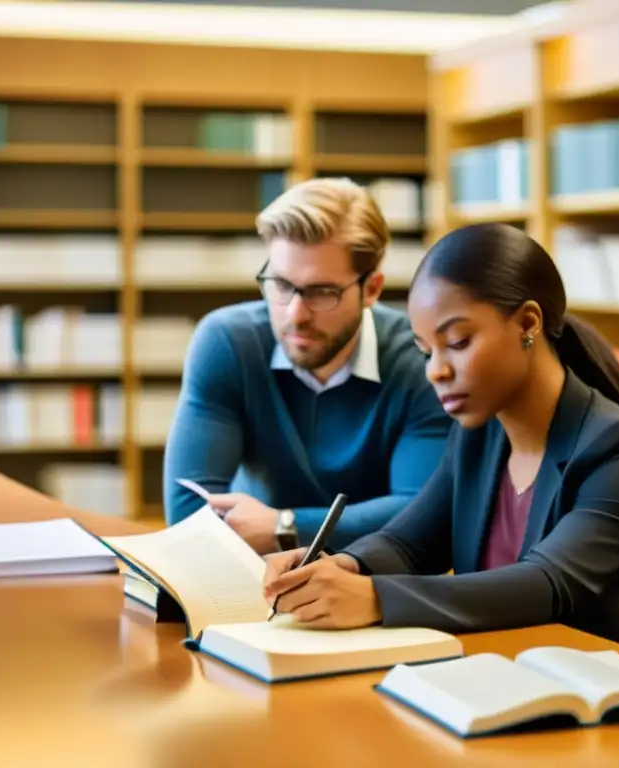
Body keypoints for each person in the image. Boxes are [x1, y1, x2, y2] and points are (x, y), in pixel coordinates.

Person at [262, 222, 619, 669]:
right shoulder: (479, 435)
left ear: (527, 324)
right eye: (426, 351)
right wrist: (347, 566)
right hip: (523, 683)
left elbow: (548, 584)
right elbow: (409, 544)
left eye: (456, 342)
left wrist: (374, 598)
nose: (436, 370)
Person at [163, 177, 451, 554]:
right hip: (253, 580)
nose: (295, 314)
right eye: (280, 285)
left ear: (372, 289)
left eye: (322, 292)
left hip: (377, 587)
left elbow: (423, 514)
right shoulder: (228, 342)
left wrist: (285, 526)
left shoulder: (420, 357)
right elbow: (188, 515)